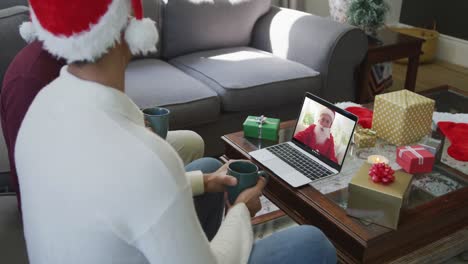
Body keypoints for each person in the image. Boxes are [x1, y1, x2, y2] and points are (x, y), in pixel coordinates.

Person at [14, 0, 337, 263]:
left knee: (209, 169)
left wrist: (202, 182)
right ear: (128, 25)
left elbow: (107, 194)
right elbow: (134, 184)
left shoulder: (40, 108)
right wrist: (240, 213)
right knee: (312, 242)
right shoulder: (146, 160)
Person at [1, 41, 204, 212]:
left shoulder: (77, 53)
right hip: (70, 199)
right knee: (205, 172)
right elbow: (46, 180)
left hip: (98, 154)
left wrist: (133, 124)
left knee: (192, 142)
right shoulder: (29, 81)